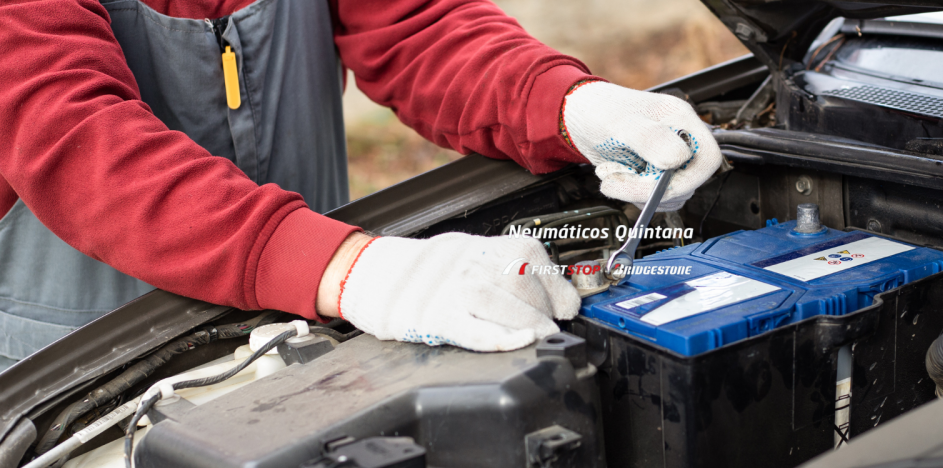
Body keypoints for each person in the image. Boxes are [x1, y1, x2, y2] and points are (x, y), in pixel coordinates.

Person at [0, 0, 724, 369]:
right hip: (79, 375)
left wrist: (567, 106)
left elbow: (417, 27)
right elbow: (69, 130)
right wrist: (352, 268)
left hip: (311, 321)